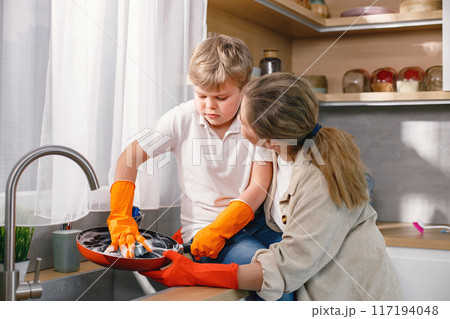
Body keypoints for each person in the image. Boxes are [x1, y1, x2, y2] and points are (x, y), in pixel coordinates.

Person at [140, 73, 403, 301]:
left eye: (242, 122)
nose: (237, 125)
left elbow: (284, 270)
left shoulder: (318, 179)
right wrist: (198, 228)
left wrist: (195, 273)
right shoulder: (282, 155)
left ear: (268, 137)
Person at [106, 35, 282, 268]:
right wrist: (121, 217)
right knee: (269, 269)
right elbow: (129, 158)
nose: (209, 106)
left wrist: (224, 227)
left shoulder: (254, 120)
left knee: (296, 261)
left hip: (254, 223)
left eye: (221, 97)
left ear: (244, 89)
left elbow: (259, 184)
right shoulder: (181, 118)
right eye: (201, 95)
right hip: (203, 230)